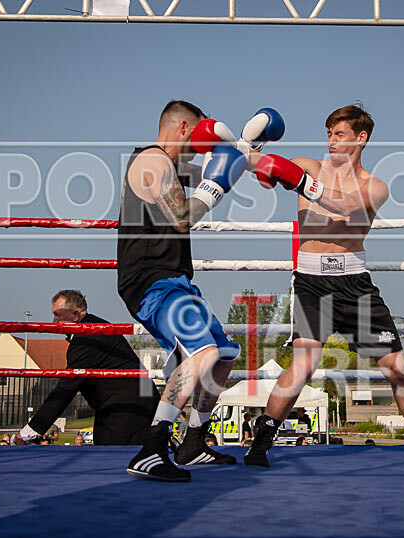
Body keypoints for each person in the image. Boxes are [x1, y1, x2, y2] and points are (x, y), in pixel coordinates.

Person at [244, 104, 404, 466]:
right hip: (311, 282)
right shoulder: (307, 166)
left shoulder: (374, 186)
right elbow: (263, 171)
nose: (331, 141)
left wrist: (301, 183)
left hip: (355, 284)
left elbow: (348, 208)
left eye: (340, 134)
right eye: (329, 134)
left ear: (361, 138)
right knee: (303, 364)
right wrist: (249, 149)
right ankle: (260, 444)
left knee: (395, 366)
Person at [119, 101, 283, 481]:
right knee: (202, 352)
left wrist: (245, 151)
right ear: (181, 128)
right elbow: (182, 217)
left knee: (223, 354)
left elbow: (224, 169)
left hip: (175, 281)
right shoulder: (152, 161)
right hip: (151, 282)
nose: (200, 147)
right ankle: (151, 449)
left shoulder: (173, 166)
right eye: (197, 137)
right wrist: (216, 183)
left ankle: (193, 442)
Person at [12, 290, 157, 446]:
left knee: (113, 456)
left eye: (58, 315)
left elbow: (66, 388)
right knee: (105, 451)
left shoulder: (88, 338)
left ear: (75, 315)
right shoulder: (92, 329)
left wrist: (31, 431)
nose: (54, 321)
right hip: (121, 408)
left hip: (129, 411)